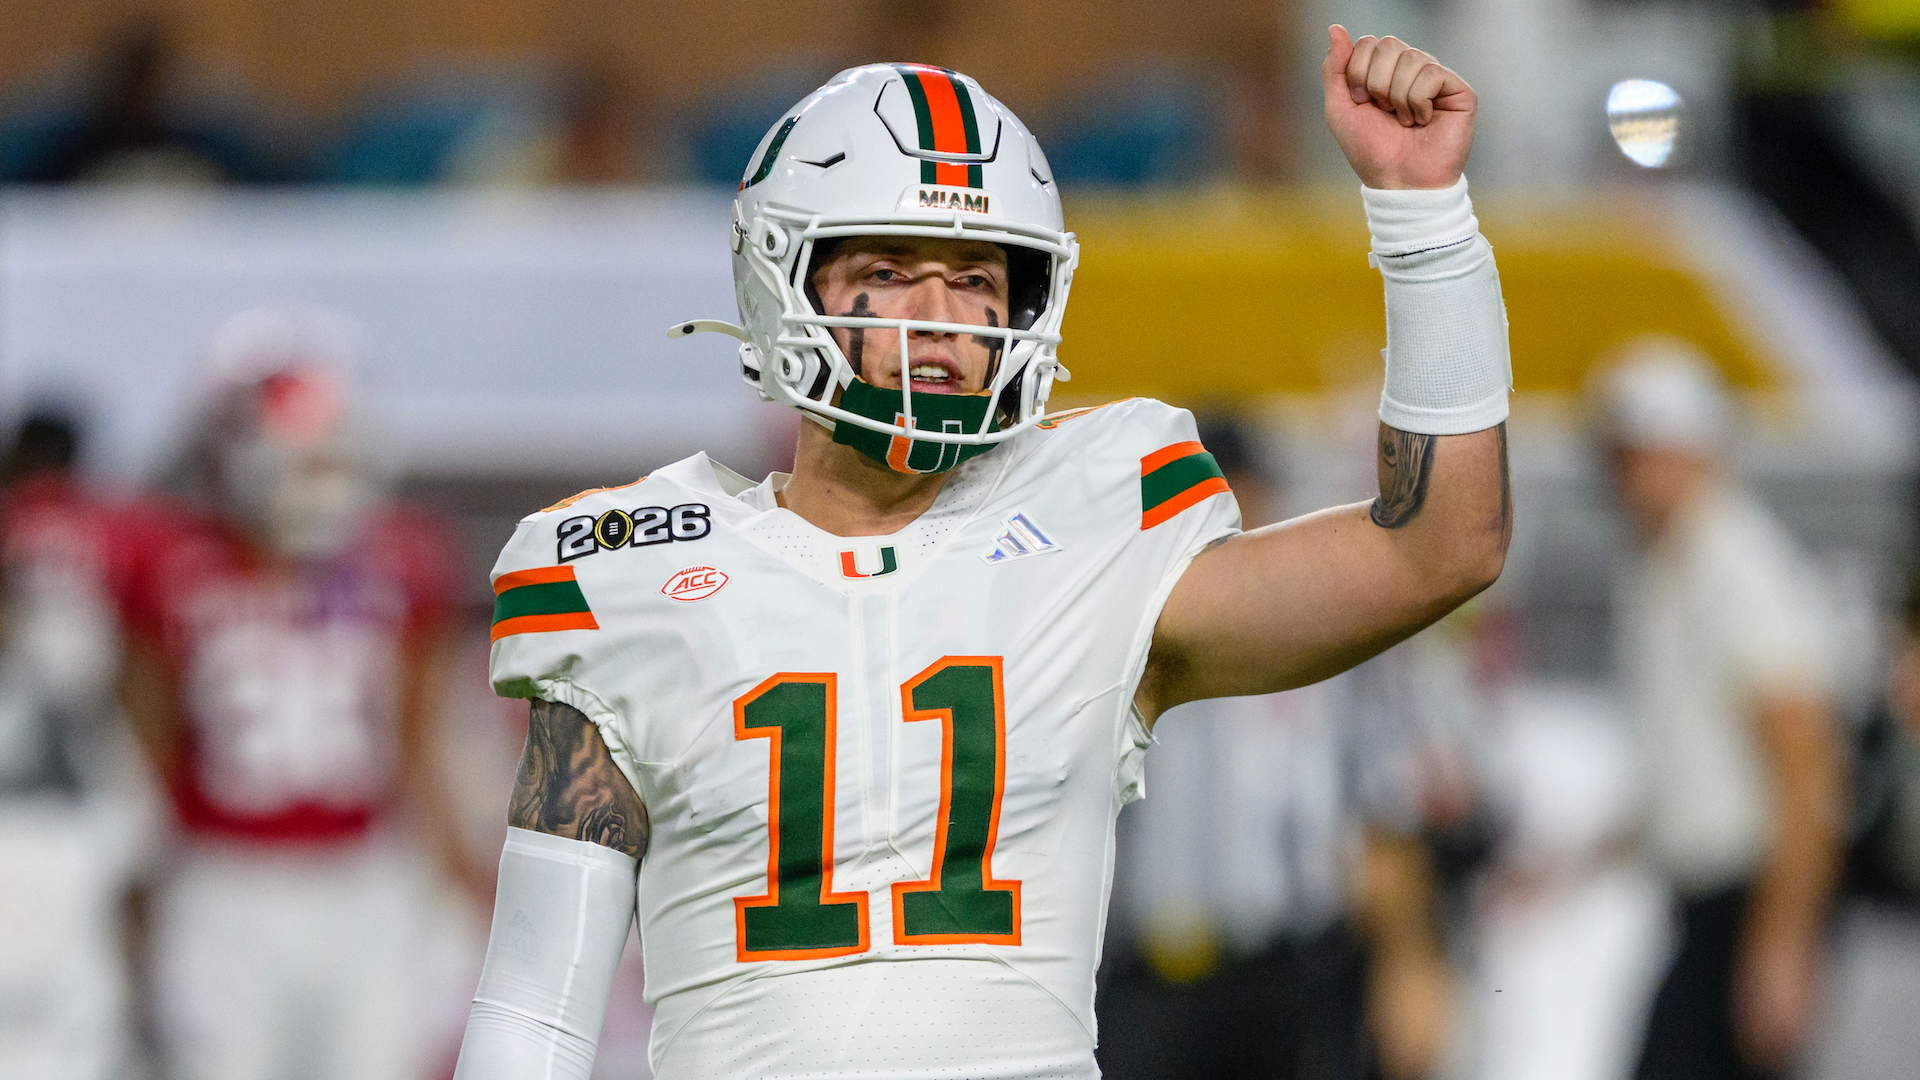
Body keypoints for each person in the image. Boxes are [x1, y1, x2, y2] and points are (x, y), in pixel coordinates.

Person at [456, 28, 1513, 1079]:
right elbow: (534, 1016)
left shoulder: (1096, 523)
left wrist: (1423, 220)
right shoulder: (634, 567)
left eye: (975, 278)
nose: (941, 319)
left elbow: (1439, 547)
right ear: (785, 280)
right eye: (889, 270)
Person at [120, 311, 470, 1080]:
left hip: (365, 877)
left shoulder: (403, 563)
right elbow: (147, 747)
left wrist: (456, 871)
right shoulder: (171, 567)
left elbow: (417, 743)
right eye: (301, 460)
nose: (319, 481)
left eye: (331, 457)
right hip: (222, 878)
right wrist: (138, 891)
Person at [1098, 418, 1455, 1080]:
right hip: (1150, 976)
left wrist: (1408, 961)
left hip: (1294, 971)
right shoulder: (1115, 637)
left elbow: (1384, 807)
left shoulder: (1327, 637)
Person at [1594, 340, 1845, 1080]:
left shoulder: (1736, 564)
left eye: (1635, 453)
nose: (1618, 474)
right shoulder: (1667, 562)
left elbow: (1805, 765)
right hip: (1716, 907)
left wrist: (1783, 943)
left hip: (1751, 904)